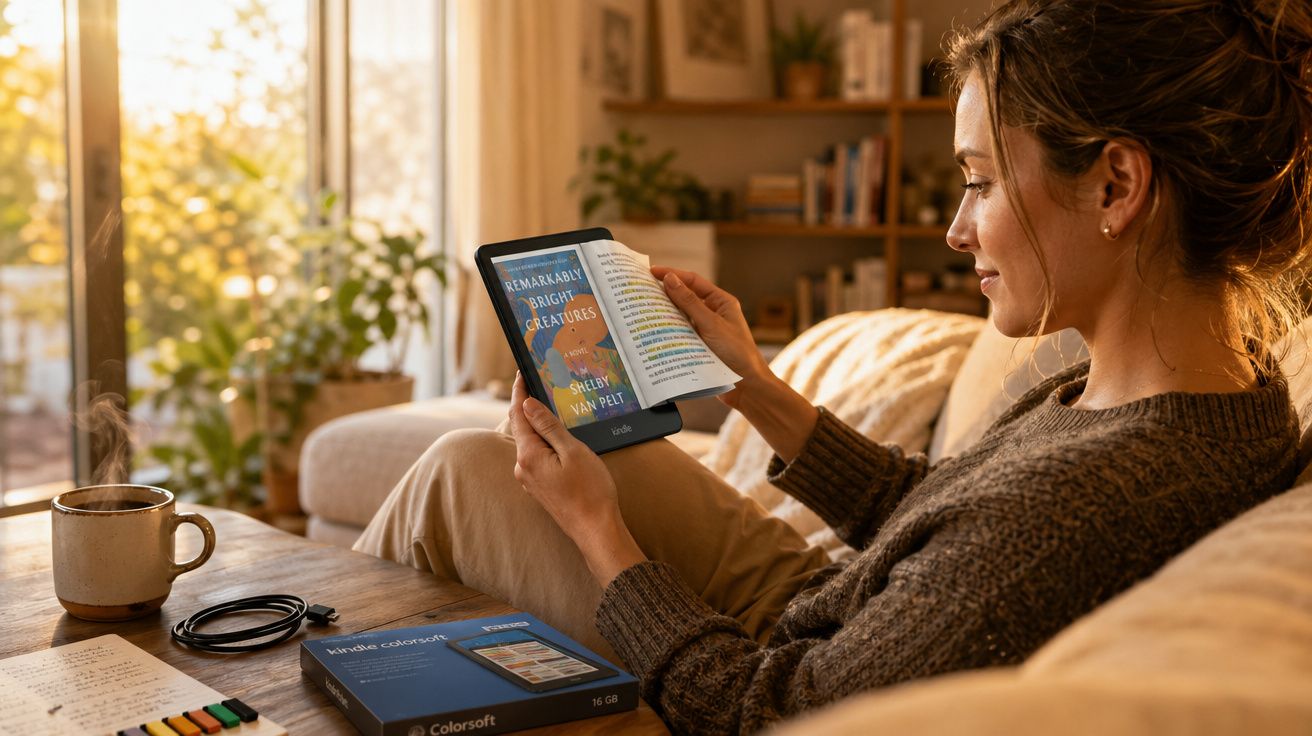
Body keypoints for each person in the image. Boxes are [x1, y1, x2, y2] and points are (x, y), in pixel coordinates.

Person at [353, 1, 1312, 732]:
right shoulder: (1213, 387)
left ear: (1116, 184)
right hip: (838, 599)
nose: (956, 229)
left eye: (980, 182)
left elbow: (765, 712)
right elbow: (940, 514)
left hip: (779, 659)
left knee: (472, 470)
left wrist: (598, 533)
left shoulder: (1086, 503)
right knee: (485, 459)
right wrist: (753, 386)